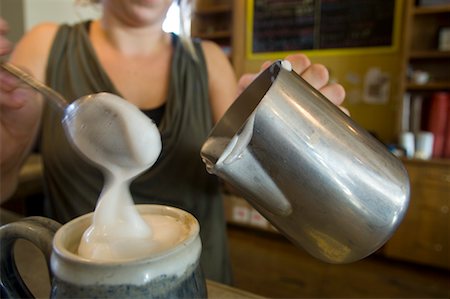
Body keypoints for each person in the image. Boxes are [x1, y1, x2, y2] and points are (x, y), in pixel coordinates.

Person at [0, 0, 345, 284]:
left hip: (197, 281)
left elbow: (245, 182)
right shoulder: (45, 45)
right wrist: (10, 142)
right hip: (84, 287)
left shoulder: (207, 60)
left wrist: (277, 141)